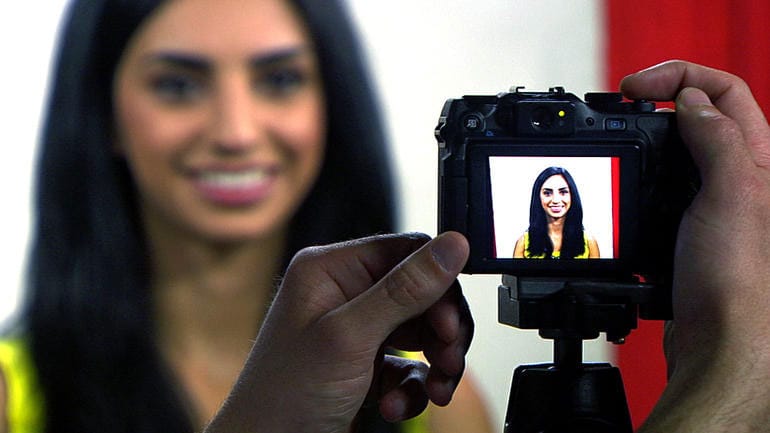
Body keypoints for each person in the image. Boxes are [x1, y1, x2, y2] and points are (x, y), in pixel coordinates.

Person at [198, 59, 770, 432]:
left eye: (561, 189)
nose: (236, 133)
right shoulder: (519, 239)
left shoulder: (593, 240)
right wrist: (738, 388)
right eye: (542, 189)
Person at [0, 1, 493, 433]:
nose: (235, 132)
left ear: (330, 104)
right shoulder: (9, 399)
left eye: (280, 79)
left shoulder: (439, 408)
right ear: (104, 113)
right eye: (176, 85)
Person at [513, 166, 600, 259]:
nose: (556, 200)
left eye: (563, 192)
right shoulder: (523, 243)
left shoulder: (589, 242)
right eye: (547, 193)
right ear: (538, 197)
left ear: (572, 196)